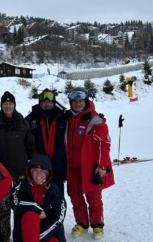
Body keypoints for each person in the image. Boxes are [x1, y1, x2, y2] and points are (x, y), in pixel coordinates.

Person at [65, 87, 115, 239]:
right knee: (76, 197)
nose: (78, 104)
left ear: (86, 101)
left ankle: (97, 225)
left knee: (94, 198)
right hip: (72, 167)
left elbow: (104, 145)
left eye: (80, 101)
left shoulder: (95, 120)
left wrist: (101, 166)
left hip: (90, 168)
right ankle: (82, 223)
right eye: (74, 101)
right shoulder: (68, 119)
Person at [0, 91, 36, 242]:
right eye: (5, 104)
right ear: (1, 105)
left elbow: (30, 145)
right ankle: (4, 237)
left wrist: (33, 165)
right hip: (2, 175)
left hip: (20, 172)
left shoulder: (23, 123)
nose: (8, 106)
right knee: (3, 209)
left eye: (10, 103)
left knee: (20, 206)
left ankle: (19, 237)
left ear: (14, 105)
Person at [11, 154, 66, 242]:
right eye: (35, 170)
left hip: (48, 231)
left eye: (42, 171)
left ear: (48, 173)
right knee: (30, 216)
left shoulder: (54, 190)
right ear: (30, 171)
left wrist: (37, 235)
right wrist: (37, 209)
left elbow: (59, 216)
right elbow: (15, 202)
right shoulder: (21, 186)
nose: (38, 174)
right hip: (26, 232)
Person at [25, 88, 67, 194]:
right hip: (39, 167)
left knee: (57, 196)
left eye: (49, 102)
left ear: (53, 103)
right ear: (40, 103)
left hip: (58, 165)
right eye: (44, 102)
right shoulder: (31, 119)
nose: (47, 104)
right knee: (39, 196)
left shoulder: (63, 118)